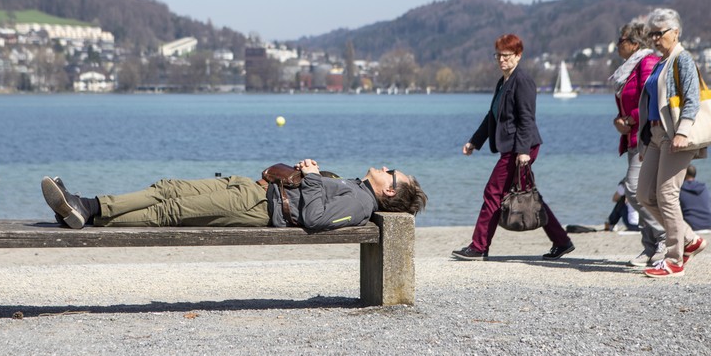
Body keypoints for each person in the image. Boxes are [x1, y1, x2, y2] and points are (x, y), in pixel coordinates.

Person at [40, 159, 428, 230]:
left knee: (171, 210)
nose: (385, 165)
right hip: (253, 188)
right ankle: (86, 208)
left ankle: (87, 209)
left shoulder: (362, 203)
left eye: (391, 171)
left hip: (259, 206)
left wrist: (310, 178)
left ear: (390, 189)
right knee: (167, 188)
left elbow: (317, 219)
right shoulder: (357, 188)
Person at [453, 33, 574, 261]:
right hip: (514, 147)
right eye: (498, 55)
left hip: (521, 148)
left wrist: (523, 151)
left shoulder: (523, 80)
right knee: (528, 195)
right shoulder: (503, 82)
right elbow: (493, 116)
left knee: (493, 192)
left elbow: (526, 118)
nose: (501, 60)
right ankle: (562, 241)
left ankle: (479, 247)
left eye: (506, 55)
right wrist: (474, 142)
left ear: (518, 56)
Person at [636, 8, 708, 278]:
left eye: (660, 33)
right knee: (644, 194)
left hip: (675, 135)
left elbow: (692, 99)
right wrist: (644, 142)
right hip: (655, 136)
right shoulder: (660, 62)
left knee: (667, 195)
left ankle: (674, 258)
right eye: (651, 33)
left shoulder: (682, 59)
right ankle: (690, 239)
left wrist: (683, 131)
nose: (655, 38)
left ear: (675, 32)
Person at [609, 21, 666, 266]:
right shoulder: (628, 67)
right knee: (640, 192)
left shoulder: (646, 63)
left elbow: (649, 98)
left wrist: (630, 119)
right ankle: (650, 247)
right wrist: (620, 121)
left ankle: (665, 237)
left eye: (620, 40)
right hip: (632, 136)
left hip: (646, 137)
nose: (617, 45)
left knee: (634, 189)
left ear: (634, 43)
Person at [679, 165, 711, 231]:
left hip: (691, 224)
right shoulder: (704, 188)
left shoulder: (680, 188)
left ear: (684, 174)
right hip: (709, 223)